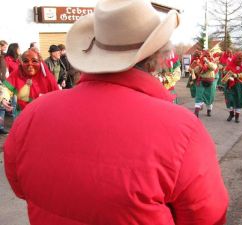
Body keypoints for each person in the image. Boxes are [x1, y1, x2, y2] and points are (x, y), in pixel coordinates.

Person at [4, 0, 229, 224]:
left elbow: (20, 187)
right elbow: (208, 217)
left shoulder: (34, 114)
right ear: (155, 59)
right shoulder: (182, 130)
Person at [3, 49, 59, 116]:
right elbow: (5, 88)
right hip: (23, 114)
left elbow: (57, 98)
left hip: (43, 115)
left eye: (34, 61)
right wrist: (4, 99)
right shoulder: (17, 73)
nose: (30, 64)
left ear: (40, 61)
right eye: (26, 61)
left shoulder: (47, 77)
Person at [222, 52, 242, 123]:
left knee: (239, 101)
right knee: (229, 100)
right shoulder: (230, 64)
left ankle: (237, 116)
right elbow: (225, 73)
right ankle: (231, 114)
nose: (241, 60)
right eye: (239, 59)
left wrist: (238, 75)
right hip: (230, 85)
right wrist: (227, 74)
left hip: (240, 85)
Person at [191, 50, 218, 117]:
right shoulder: (200, 62)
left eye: (209, 56)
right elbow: (195, 71)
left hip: (210, 82)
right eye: (205, 56)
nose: (207, 57)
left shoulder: (213, 62)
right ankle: (196, 112)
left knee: (209, 97)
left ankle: (209, 110)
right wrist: (198, 67)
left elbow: (213, 68)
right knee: (199, 96)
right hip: (201, 81)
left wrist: (207, 61)